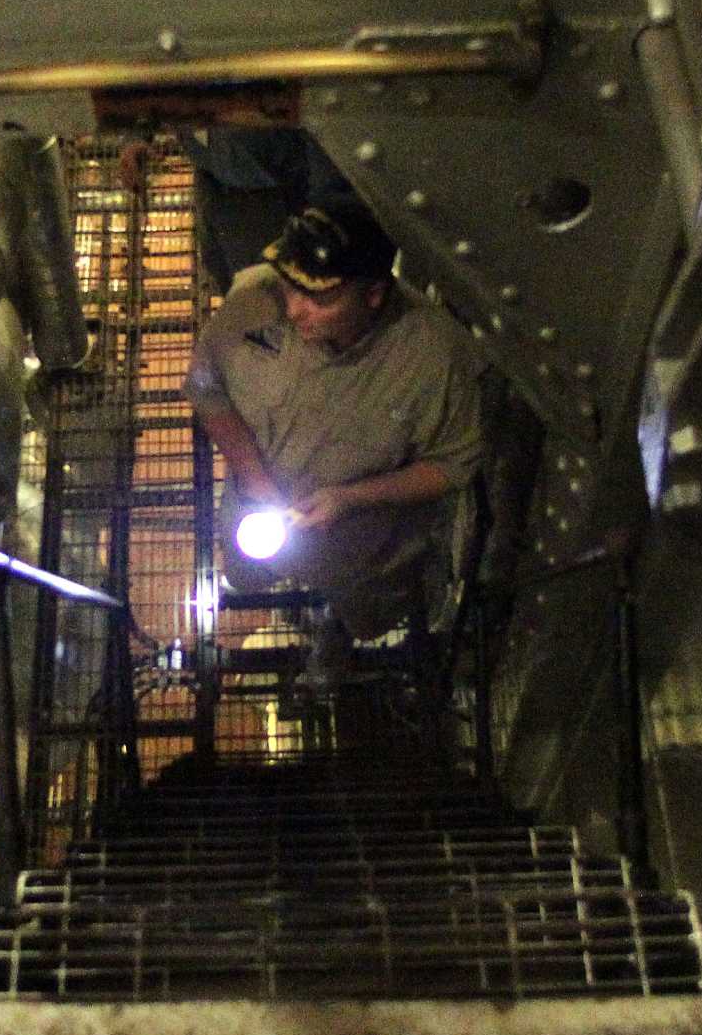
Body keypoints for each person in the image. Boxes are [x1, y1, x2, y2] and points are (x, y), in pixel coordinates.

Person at [184, 199, 487, 681]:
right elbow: (207, 390)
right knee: (248, 570)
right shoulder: (251, 306)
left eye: (320, 300)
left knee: (366, 612)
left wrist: (350, 499)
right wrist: (258, 483)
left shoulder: (435, 357)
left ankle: (345, 631)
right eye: (289, 288)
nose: (293, 310)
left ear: (372, 295)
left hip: (361, 542)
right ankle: (275, 596)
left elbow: (451, 465)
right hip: (258, 507)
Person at [120, 119, 356, 294]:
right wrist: (136, 134)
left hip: (274, 198)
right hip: (220, 183)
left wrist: (325, 218)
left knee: (271, 302)